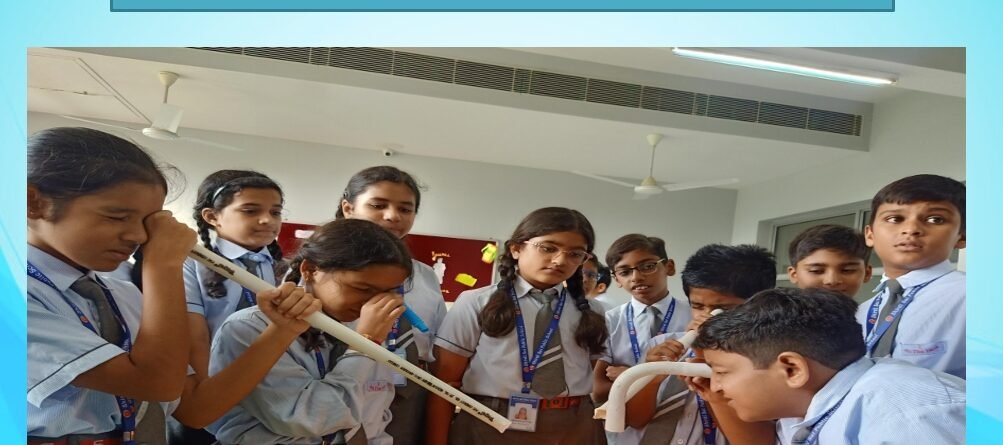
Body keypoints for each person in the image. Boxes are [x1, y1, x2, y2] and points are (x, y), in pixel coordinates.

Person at [27, 127, 196, 443]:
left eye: (147, 222)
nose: (139, 236)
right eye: (117, 217)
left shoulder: (122, 293)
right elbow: (158, 383)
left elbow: (190, 401)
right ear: (32, 202)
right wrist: (164, 266)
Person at [209, 218, 412, 445]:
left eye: (389, 292)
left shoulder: (359, 324)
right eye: (363, 288)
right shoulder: (250, 328)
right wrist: (364, 346)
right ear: (310, 270)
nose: (374, 303)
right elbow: (310, 419)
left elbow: (372, 409)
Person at [427, 207, 608, 445]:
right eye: (548, 248)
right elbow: (443, 384)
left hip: (574, 422)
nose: (560, 260)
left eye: (575, 254)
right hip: (491, 421)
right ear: (516, 249)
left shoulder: (591, 311)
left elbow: (595, 371)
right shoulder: (477, 302)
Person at [694, 287, 966, 445]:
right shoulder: (807, 404)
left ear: (792, 369)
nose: (715, 386)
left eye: (721, 372)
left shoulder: (909, 416)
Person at [337, 165, 448, 444]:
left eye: (405, 209)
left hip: (408, 394)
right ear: (348, 208)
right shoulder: (324, 270)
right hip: (343, 386)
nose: (392, 216)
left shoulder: (425, 276)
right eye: (378, 205)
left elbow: (430, 343)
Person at [624, 244, 776, 445]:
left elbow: (756, 441)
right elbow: (635, 420)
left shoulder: (769, 361)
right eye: (697, 306)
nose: (707, 317)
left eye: (723, 309)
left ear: (758, 306)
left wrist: (710, 363)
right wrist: (651, 379)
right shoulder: (663, 345)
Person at [858, 174, 966, 378]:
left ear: (962, 236)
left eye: (935, 219)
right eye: (894, 219)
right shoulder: (862, 312)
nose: (911, 229)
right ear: (870, 234)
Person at [593, 234, 691, 405]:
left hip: (685, 413)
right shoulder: (609, 321)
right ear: (616, 279)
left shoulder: (694, 315)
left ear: (669, 267)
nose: (636, 277)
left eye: (648, 266)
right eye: (625, 272)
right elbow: (599, 391)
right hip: (626, 417)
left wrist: (630, 375)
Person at [787, 224, 872, 299]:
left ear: (867, 273)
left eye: (847, 270)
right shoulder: (781, 312)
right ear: (794, 274)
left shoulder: (872, 311)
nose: (832, 281)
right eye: (816, 271)